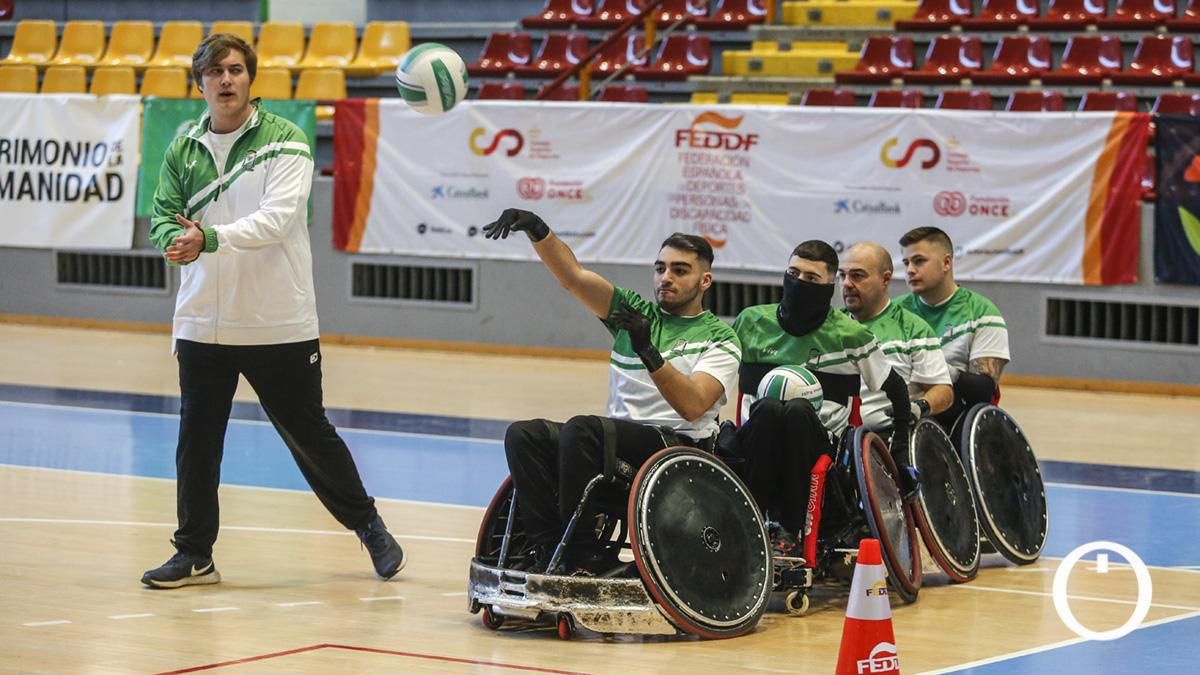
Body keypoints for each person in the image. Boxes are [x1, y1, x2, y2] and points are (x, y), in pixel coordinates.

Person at [142, 33, 404, 588]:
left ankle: (369, 526)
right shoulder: (181, 147)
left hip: (276, 321)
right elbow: (161, 215)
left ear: (249, 77)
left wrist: (206, 239)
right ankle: (194, 553)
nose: (227, 80)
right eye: (215, 72)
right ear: (201, 83)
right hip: (201, 322)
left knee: (309, 435)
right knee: (197, 442)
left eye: (236, 69)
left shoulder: (286, 140)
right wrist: (173, 238)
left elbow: (277, 221)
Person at [483, 209, 741, 575]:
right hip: (614, 442)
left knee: (583, 428)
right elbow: (573, 278)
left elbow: (693, 406)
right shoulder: (633, 313)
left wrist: (648, 351)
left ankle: (584, 551)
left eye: (680, 271)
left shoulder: (720, 338)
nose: (666, 278)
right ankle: (549, 549)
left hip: (675, 450)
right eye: (660, 268)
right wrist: (537, 229)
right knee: (525, 434)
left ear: (705, 281)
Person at [731, 241, 916, 558]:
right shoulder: (751, 322)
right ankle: (754, 522)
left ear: (829, 284)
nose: (799, 282)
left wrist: (900, 444)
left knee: (798, 412)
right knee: (770, 409)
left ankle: (789, 527)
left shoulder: (849, 333)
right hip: (756, 437)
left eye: (811, 278)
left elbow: (895, 388)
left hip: (820, 443)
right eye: (793, 273)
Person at [894, 227, 1010, 428]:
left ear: (946, 262)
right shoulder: (895, 312)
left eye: (919, 261)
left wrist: (932, 367)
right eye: (906, 263)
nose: (910, 270)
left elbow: (984, 390)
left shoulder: (982, 312)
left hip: (952, 422)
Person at [839, 241, 953, 434]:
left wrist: (918, 407)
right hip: (833, 438)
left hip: (887, 440)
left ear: (885, 279)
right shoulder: (830, 325)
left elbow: (943, 391)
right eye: (842, 275)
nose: (847, 284)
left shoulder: (913, 328)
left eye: (857, 276)